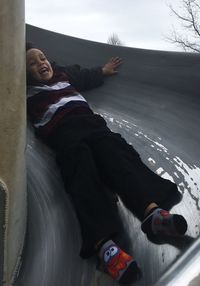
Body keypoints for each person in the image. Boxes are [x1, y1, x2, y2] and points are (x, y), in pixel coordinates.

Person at [26, 43, 188, 285]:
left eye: (42, 58)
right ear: (24, 73)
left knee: (119, 157)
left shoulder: (64, 75)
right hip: (64, 136)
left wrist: (103, 70)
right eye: (32, 63)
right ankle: (106, 248)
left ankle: (153, 214)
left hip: (92, 125)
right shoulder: (25, 92)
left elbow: (85, 76)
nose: (41, 63)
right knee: (81, 176)